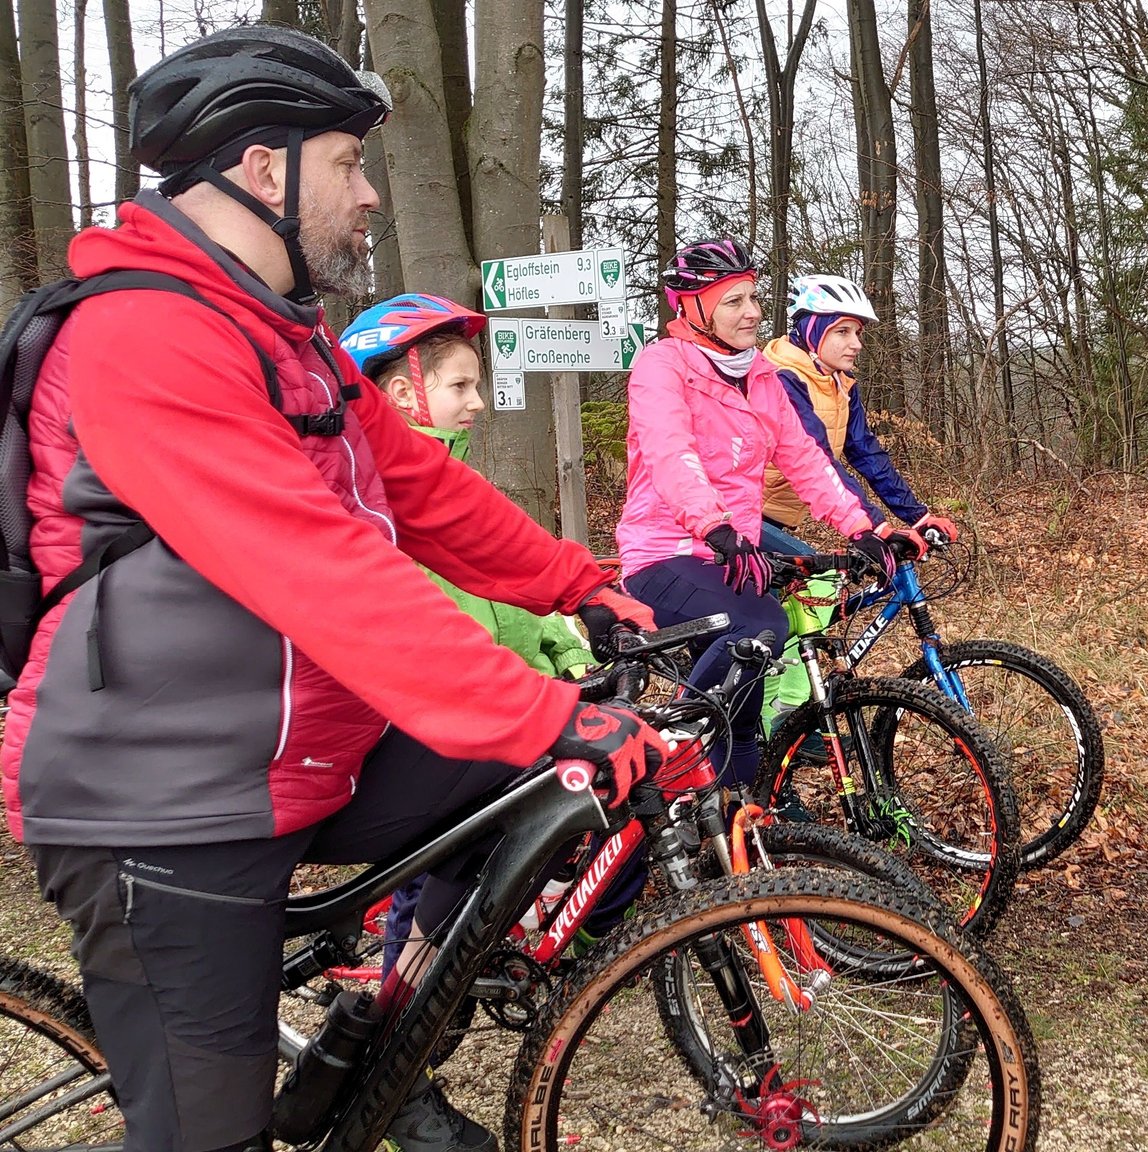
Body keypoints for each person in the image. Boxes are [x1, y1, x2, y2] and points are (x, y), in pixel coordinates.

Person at [1, 26, 664, 1152]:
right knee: (208, 1137)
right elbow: (319, 566)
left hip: (295, 748)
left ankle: (377, 1049)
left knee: (544, 788)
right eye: (348, 163)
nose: (368, 195)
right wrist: (542, 701)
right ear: (265, 169)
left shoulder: (288, 340)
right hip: (161, 797)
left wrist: (577, 586)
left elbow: (419, 492)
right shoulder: (145, 336)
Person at [338, 293, 598, 980]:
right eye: (460, 385)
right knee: (424, 879)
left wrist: (568, 650)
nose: (478, 400)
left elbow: (516, 588)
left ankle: (445, 974)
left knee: (489, 847)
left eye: (477, 384)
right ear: (401, 393)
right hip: (434, 711)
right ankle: (401, 1017)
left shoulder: (460, 480)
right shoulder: (375, 495)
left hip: (495, 700)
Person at [614, 238, 897, 793]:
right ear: (692, 308)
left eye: (752, 298)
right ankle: (661, 760)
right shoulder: (661, 366)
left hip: (729, 555)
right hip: (665, 553)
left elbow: (805, 460)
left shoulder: (761, 376)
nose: (751, 312)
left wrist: (862, 527)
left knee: (743, 718)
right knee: (761, 625)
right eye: (733, 302)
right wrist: (716, 528)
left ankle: (737, 823)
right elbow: (672, 455)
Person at [753, 274, 958, 727]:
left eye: (858, 333)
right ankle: (784, 719)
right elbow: (819, 462)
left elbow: (865, 453)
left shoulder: (840, 384)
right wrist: (875, 528)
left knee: (788, 614)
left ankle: (779, 707)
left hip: (777, 518)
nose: (856, 344)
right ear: (811, 331)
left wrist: (918, 515)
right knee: (817, 583)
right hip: (742, 515)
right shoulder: (782, 379)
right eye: (842, 331)